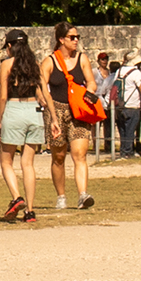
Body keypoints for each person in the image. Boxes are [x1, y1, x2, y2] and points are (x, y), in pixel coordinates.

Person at [0, 29, 50, 222]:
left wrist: (0, 121)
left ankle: (17, 197)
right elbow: (45, 93)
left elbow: (3, 96)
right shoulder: (35, 64)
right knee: (28, 164)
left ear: (9, 46)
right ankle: (30, 211)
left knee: (6, 160)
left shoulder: (7, 64)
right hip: (34, 110)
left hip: (15, 109)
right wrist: (55, 119)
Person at [47, 23, 101, 210]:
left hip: (79, 111)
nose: (76, 40)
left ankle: (82, 194)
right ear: (61, 39)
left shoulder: (82, 59)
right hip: (57, 111)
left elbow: (91, 82)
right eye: (72, 37)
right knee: (59, 156)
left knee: (80, 154)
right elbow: (42, 87)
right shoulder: (49, 61)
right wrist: (51, 114)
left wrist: (89, 92)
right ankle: (61, 195)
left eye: (77, 37)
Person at [116, 52, 141, 160]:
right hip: (132, 104)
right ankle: (128, 152)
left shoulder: (119, 71)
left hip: (119, 104)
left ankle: (123, 151)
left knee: (122, 130)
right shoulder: (136, 73)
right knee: (130, 130)